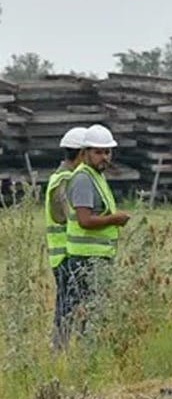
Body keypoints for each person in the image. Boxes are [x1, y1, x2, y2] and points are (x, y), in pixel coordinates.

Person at [64, 124, 132, 337]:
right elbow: (85, 220)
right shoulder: (84, 178)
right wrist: (115, 219)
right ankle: (83, 353)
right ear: (84, 153)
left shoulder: (96, 176)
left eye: (107, 152)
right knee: (88, 311)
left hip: (97, 258)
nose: (104, 157)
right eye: (98, 152)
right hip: (86, 260)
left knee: (95, 310)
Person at [46, 127, 87, 347]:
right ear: (81, 154)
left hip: (64, 254)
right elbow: (65, 215)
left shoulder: (62, 177)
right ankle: (59, 350)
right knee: (67, 306)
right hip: (66, 255)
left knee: (68, 304)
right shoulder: (66, 180)